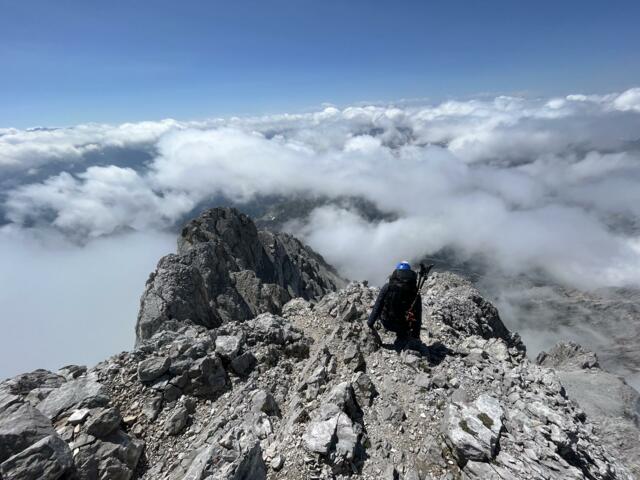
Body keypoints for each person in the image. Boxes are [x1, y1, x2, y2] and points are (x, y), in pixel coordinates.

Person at [367, 261, 422, 350]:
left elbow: (378, 306)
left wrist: (370, 323)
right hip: (404, 327)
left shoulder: (387, 287)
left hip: (387, 323)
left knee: (379, 307)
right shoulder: (415, 292)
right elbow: (418, 316)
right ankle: (402, 337)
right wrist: (416, 335)